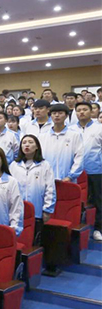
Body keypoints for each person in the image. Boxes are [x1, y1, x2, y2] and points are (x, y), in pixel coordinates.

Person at [10, 135, 56, 245]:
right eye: (24, 143)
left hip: (37, 210)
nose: (27, 145)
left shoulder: (45, 165)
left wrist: (47, 209)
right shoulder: (14, 165)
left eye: (30, 142)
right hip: (17, 211)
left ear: (37, 147)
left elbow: (50, 189)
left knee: (34, 241)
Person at [69, 102, 102, 240]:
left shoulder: (99, 128)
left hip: (95, 169)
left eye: (85, 109)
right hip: (74, 172)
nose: (81, 112)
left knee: (98, 200)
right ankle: (75, 229)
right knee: (75, 201)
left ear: (91, 111)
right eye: (79, 110)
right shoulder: (70, 129)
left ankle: (98, 228)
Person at [40, 104, 84, 182]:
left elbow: (79, 158)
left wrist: (70, 176)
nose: (57, 115)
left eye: (60, 113)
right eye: (54, 113)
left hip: (68, 180)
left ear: (66, 116)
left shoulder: (74, 135)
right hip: (46, 180)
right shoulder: (42, 136)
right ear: (50, 116)